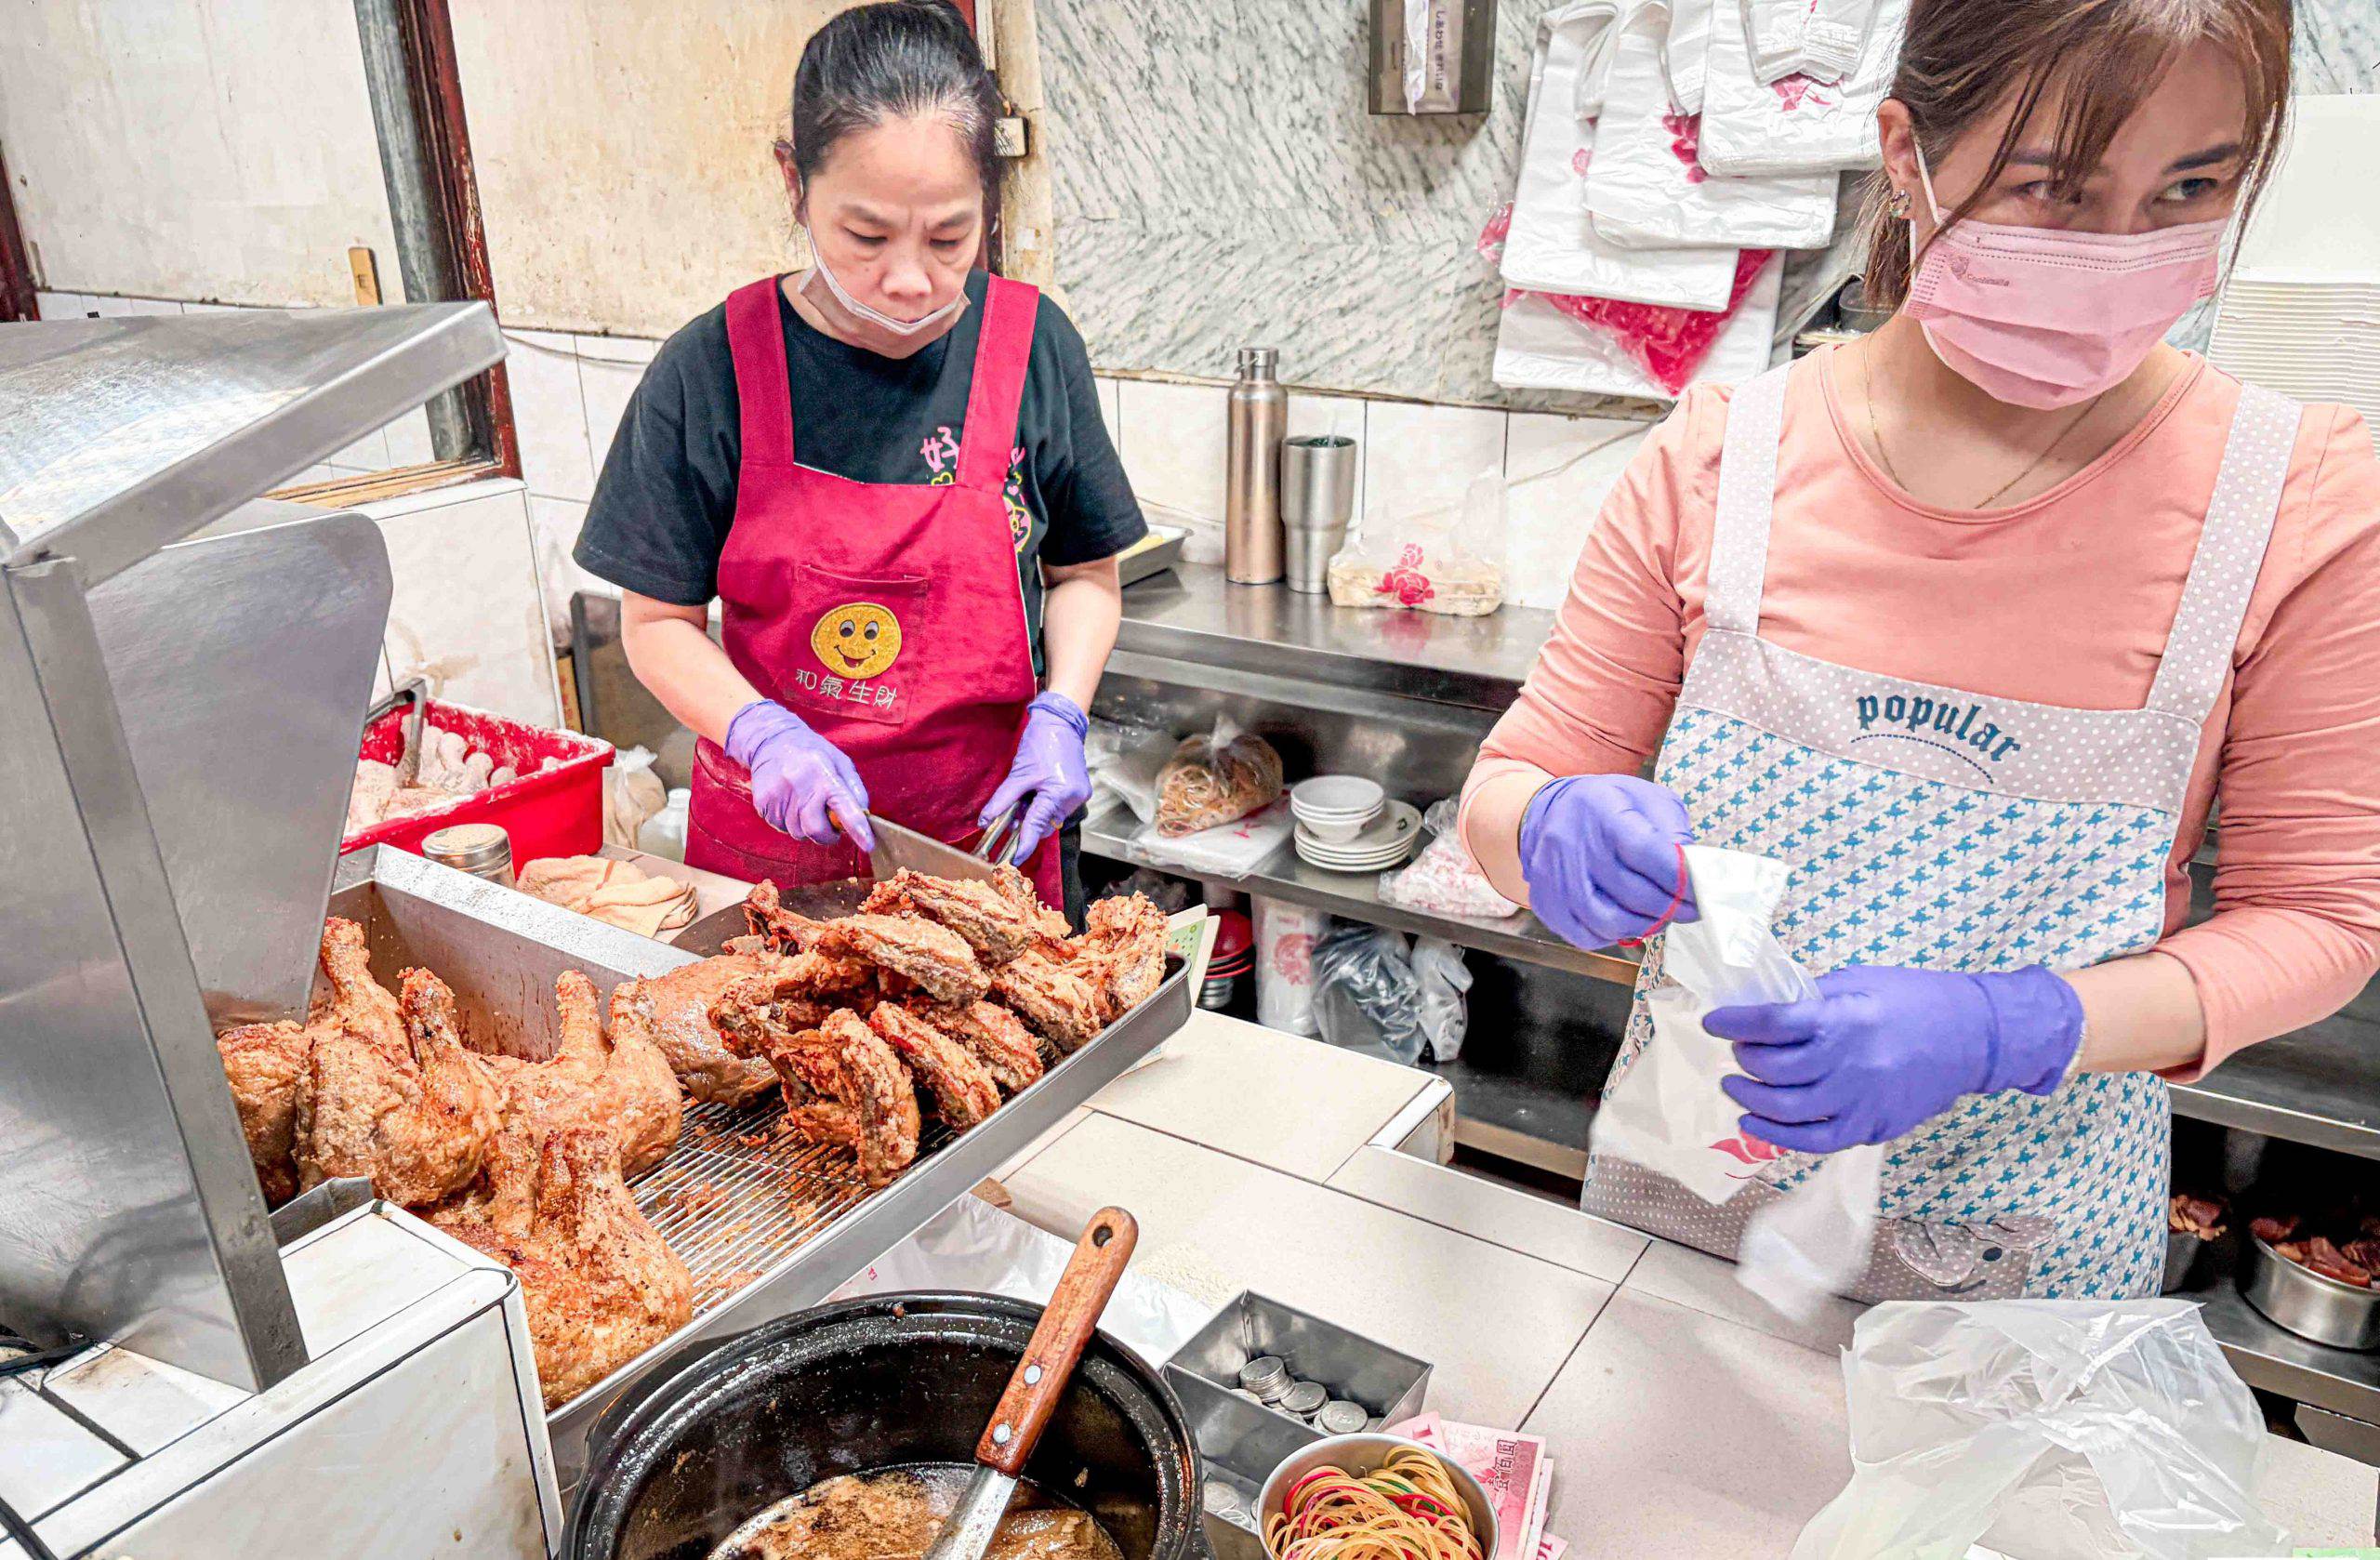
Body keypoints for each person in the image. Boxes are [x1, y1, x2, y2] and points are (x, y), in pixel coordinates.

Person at [1461, 0, 2380, 1300]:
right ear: (1907, 152)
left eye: (2192, 185)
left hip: (2023, 1274)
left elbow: (2321, 921)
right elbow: (1509, 787)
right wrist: (1548, 823)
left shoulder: (2295, 500)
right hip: (1689, 1217)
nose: (2123, 250)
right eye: (2052, 188)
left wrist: (2021, 1024)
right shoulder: (1720, 459)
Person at [575, 0, 1144, 922]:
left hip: (987, 851)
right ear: (794, 184)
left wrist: (1063, 713)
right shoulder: (711, 369)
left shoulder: (1034, 346)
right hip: (776, 859)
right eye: (867, 236)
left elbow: (1086, 574)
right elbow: (655, 624)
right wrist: (761, 737)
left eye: (950, 236)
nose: (912, 278)